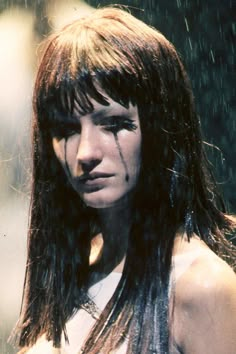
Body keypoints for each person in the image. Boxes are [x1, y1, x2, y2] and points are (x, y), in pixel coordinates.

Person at [13, 6, 236, 354]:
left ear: (162, 127)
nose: (86, 152)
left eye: (114, 124)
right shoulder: (73, 269)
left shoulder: (200, 287)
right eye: (67, 130)